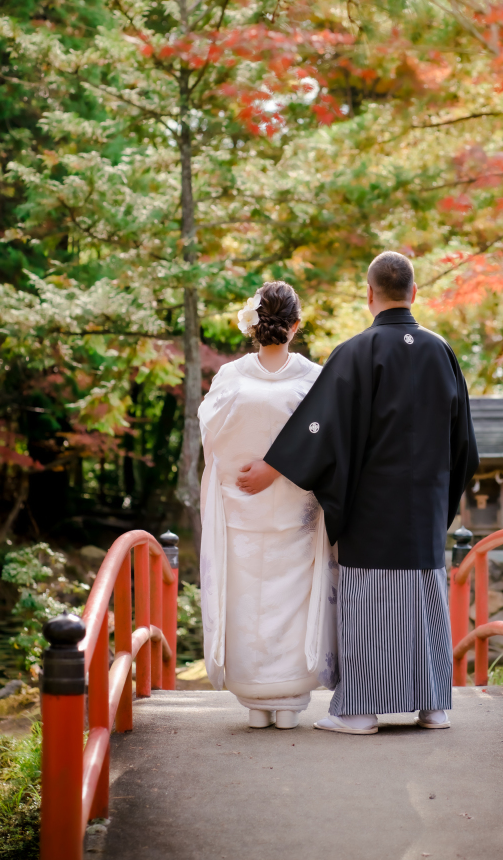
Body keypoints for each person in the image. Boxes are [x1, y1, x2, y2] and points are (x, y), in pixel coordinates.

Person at [246, 251, 479, 735]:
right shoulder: (442, 351)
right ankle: (433, 707)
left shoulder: (356, 351)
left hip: (373, 511)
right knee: (425, 602)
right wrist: (442, 501)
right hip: (426, 508)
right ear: (414, 293)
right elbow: (464, 445)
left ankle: (359, 712)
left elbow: (319, 427)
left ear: (369, 294)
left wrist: (274, 466)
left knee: (371, 605)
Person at [198, 281, 338, 730]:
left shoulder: (231, 378)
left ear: (252, 325)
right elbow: (328, 444)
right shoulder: (315, 379)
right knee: (291, 601)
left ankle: (254, 702)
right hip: (297, 512)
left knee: (244, 600)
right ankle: (289, 701)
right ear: (295, 325)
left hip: (241, 508)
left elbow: (212, 441)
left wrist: (243, 468)